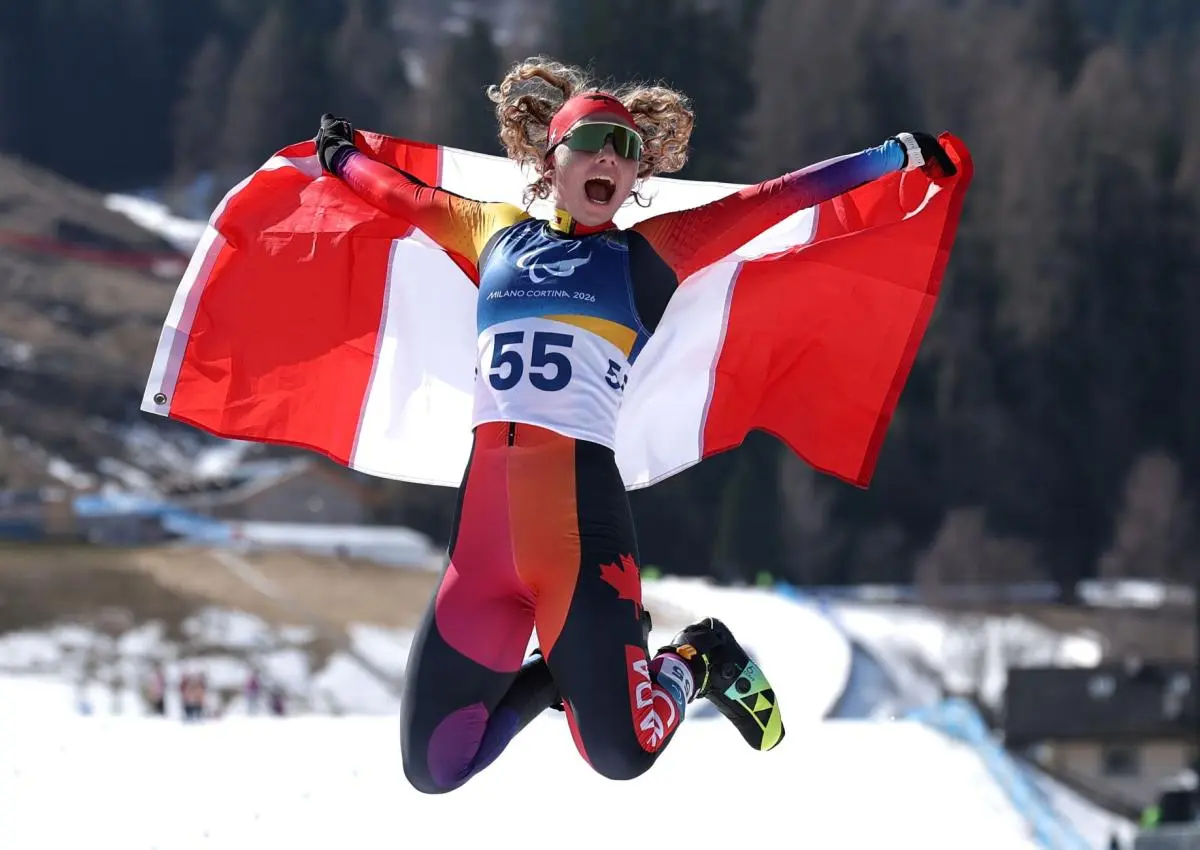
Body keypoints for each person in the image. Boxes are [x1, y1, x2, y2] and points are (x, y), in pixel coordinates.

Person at [314, 56, 956, 794]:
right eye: (591, 143)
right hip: (482, 551)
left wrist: (892, 156)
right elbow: (407, 197)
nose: (610, 162)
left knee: (623, 755)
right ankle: (558, 675)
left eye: (626, 153)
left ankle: (698, 660)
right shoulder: (492, 234)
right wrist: (342, 160)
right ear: (550, 161)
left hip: (580, 539)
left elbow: (769, 201)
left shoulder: (646, 257)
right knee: (437, 765)